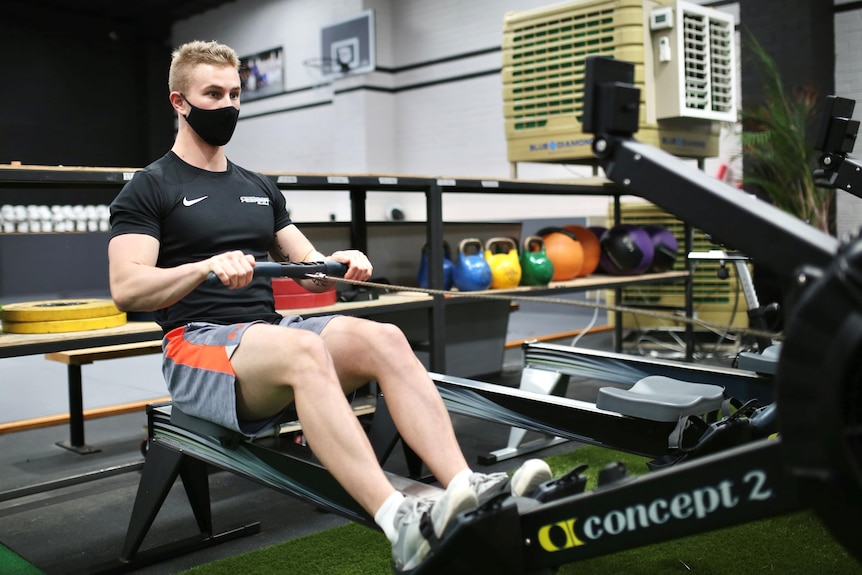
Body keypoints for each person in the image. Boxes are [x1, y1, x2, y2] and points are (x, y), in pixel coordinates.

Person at [108, 39, 551, 571]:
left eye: (234, 94)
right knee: (301, 350)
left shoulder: (257, 187)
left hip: (265, 337)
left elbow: (308, 268)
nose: (227, 106)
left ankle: (466, 486)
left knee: (385, 337)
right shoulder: (150, 187)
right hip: (195, 346)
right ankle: (398, 521)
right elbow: (127, 288)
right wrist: (204, 266)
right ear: (179, 101)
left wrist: (337, 265)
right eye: (212, 94)